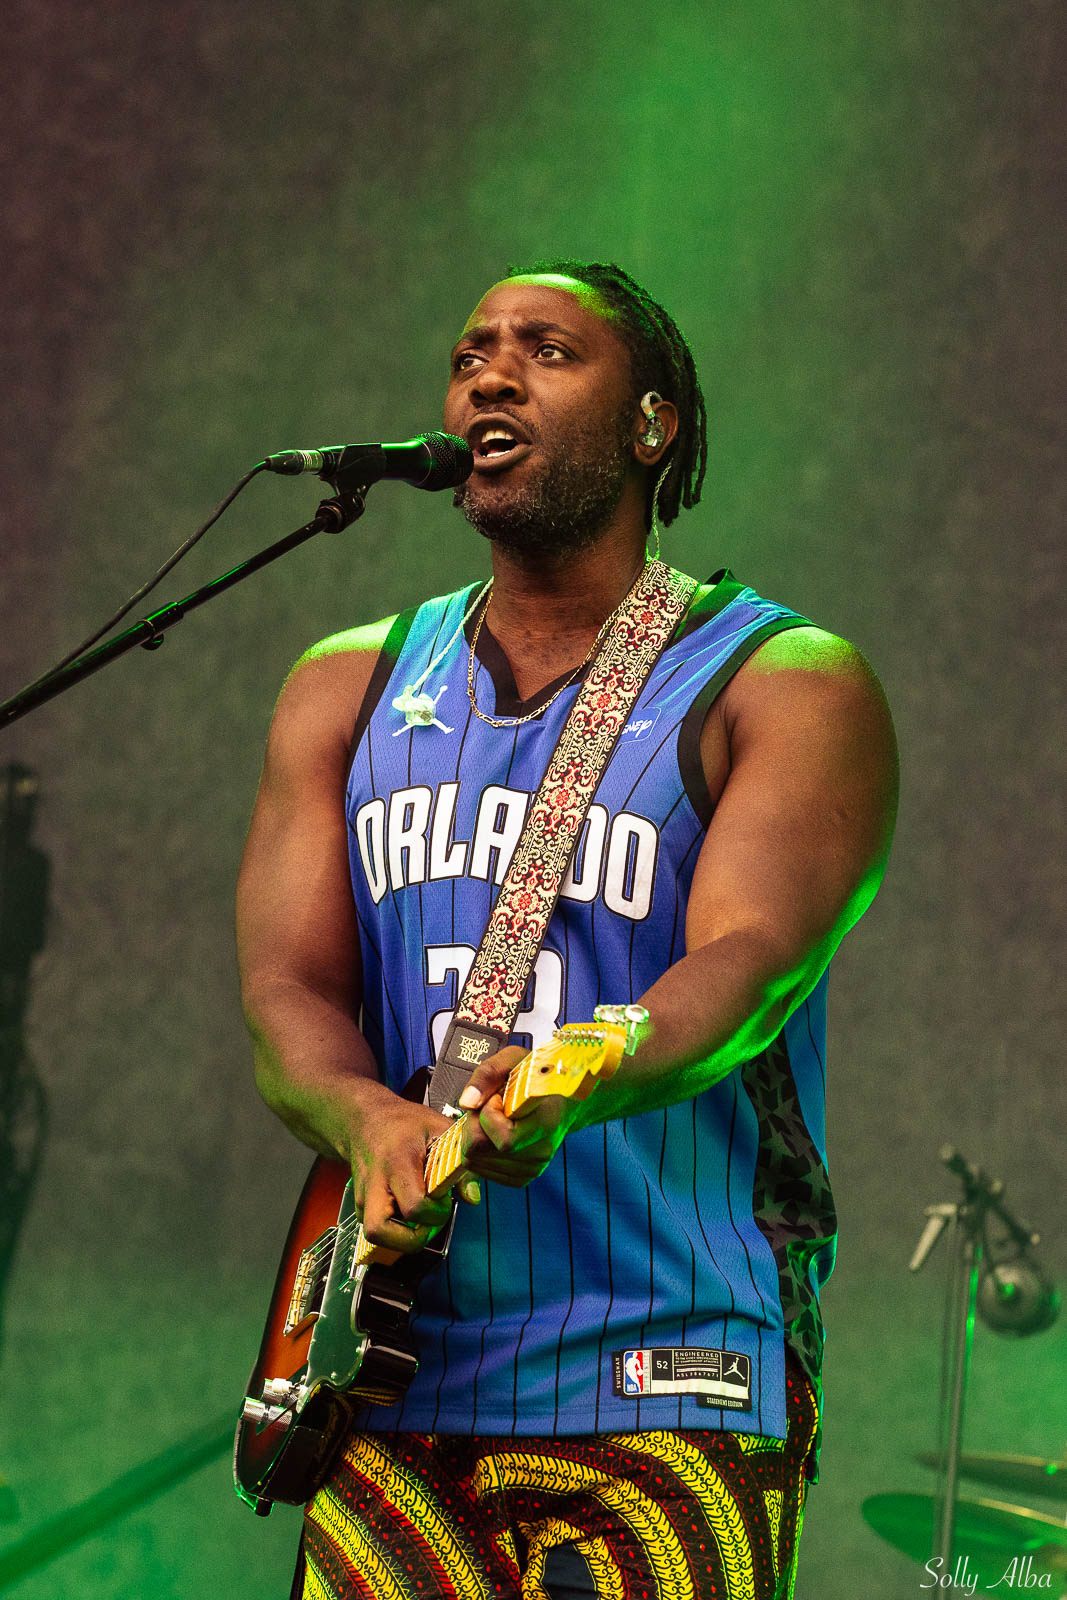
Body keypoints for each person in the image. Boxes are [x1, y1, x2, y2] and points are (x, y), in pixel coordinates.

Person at [236, 259, 898, 1600]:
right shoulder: (345, 686)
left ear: (653, 424)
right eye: (471, 353)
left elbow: (753, 966)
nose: (491, 374)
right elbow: (286, 992)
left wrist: (588, 1070)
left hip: (672, 1377)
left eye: (547, 350)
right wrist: (368, 1121)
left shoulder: (781, 680)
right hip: (394, 1378)